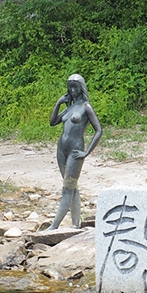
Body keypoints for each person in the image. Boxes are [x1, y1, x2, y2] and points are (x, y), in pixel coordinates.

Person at [47, 73, 102, 230]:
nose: (72, 90)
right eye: (70, 87)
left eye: (75, 87)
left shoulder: (86, 108)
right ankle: (75, 223)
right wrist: (58, 103)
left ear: (81, 88)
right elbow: (53, 122)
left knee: (67, 188)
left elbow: (98, 131)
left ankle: (54, 226)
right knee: (72, 186)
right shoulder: (70, 107)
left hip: (76, 151)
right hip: (61, 149)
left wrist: (87, 153)